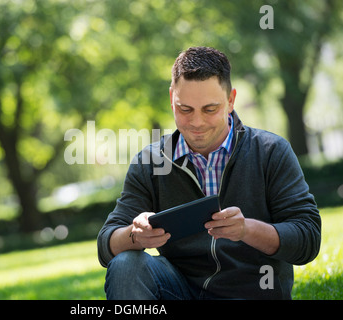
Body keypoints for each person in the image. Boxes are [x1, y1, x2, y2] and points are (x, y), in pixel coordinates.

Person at [96, 46, 321, 300]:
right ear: (172, 98)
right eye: (185, 109)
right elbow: (106, 244)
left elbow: (308, 238)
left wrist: (246, 229)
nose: (197, 123)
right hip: (180, 291)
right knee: (126, 265)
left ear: (231, 100)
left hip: (252, 292)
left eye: (210, 109)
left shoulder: (271, 151)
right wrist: (135, 235)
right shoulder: (150, 162)